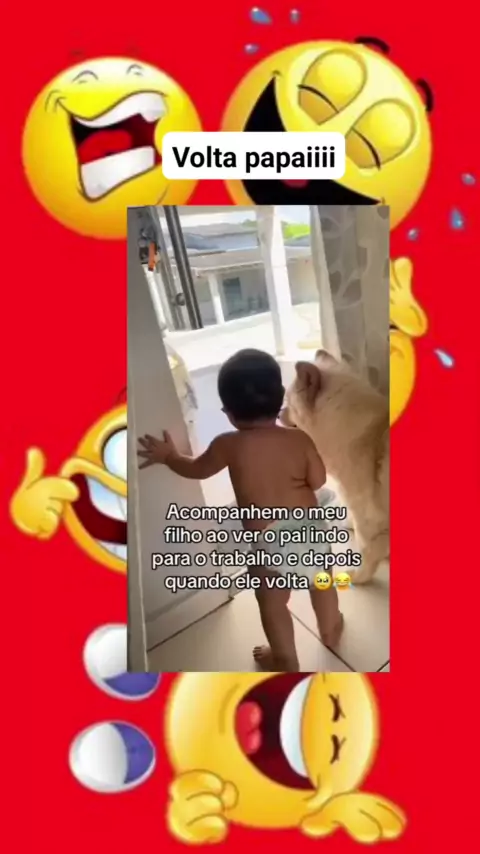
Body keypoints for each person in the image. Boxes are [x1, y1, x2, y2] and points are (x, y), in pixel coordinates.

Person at [137, 348, 343, 672]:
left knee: (273, 604)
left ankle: (285, 658)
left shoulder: (227, 444)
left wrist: (169, 457)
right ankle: (330, 628)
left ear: (228, 412)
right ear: (280, 398)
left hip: (268, 543)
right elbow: (317, 481)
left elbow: (196, 470)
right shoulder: (299, 439)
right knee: (322, 583)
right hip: (309, 530)